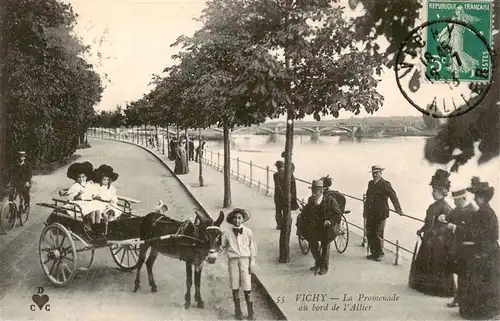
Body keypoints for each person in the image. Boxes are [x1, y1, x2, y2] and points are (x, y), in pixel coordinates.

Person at [449, 178, 499, 319]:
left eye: (477, 196)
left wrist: (458, 229)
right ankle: (480, 310)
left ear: (481, 197)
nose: (475, 198)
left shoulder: (484, 213)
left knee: (478, 281)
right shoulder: (486, 211)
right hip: (488, 251)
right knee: (484, 282)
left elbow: (481, 234)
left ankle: (477, 312)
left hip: (484, 252)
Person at [409, 169, 454, 297]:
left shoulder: (445, 208)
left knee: (436, 263)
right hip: (429, 239)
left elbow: (447, 227)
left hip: (439, 241)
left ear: (442, 192)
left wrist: (435, 232)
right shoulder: (432, 207)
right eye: (433, 191)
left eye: (435, 191)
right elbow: (428, 222)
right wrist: (422, 229)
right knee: (426, 261)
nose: (433, 193)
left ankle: (436, 289)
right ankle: (423, 286)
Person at [441, 187, 478, 308]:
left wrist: (455, 227)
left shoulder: (473, 211)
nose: (454, 203)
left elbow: (472, 232)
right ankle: (458, 298)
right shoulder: (459, 208)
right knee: (459, 273)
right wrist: (444, 218)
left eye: (456, 200)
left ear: (463, 199)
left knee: (465, 275)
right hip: (457, 247)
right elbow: (450, 217)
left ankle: (462, 300)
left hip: (467, 248)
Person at [221, 208, 257, 321]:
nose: (237, 220)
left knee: (247, 287)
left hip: (245, 261)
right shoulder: (227, 233)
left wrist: (252, 263)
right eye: (235, 218)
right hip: (233, 261)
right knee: (235, 286)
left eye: (239, 218)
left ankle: (251, 312)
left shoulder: (248, 232)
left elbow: (252, 249)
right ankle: (238, 311)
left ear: (243, 219)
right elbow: (222, 246)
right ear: (232, 220)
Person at [300, 180, 342, 275]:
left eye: (317, 190)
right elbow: (306, 212)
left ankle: (324, 267)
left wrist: (330, 221)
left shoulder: (330, 201)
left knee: (325, 246)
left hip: (326, 229)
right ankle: (318, 262)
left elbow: (338, 213)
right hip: (315, 228)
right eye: (313, 190)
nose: (314, 192)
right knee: (313, 246)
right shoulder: (311, 199)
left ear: (321, 191)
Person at [363, 165, 404, 262]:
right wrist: (365, 212)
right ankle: (374, 253)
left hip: (381, 213)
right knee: (369, 233)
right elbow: (368, 199)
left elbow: (393, 196)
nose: (375, 175)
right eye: (373, 173)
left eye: (377, 173)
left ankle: (380, 253)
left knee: (378, 234)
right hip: (371, 213)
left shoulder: (385, 184)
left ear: (381, 173)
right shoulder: (371, 184)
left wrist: (398, 209)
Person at [63, 162, 101, 232]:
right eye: (79, 177)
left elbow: (93, 193)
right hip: (78, 202)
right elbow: (72, 197)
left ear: (86, 177)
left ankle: (98, 228)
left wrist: (96, 196)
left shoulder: (89, 184)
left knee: (98, 211)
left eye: (83, 177)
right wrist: (78, 194)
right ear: (77, 178)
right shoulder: (75, 186)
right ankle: (93, 229)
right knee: (92, 212)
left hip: (88, 202)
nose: (81, 179)